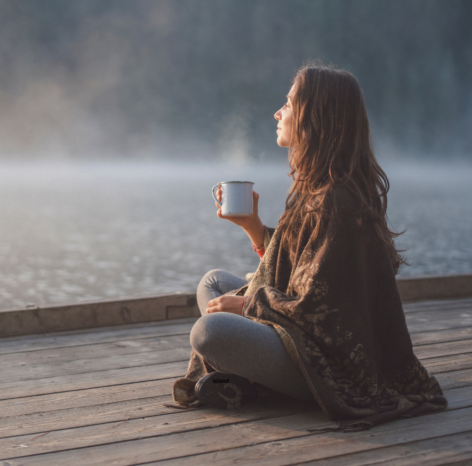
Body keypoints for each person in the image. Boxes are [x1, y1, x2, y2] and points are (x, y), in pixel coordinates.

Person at [171, 63, 447, 431]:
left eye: (288, 103)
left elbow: (319, 309)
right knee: (214, 282)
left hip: (328, 365)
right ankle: (245, 377)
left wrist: (249, 304)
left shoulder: (337, 200)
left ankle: (252, 381)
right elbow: (297, 267)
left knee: (210, 333)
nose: (278, 112)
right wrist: (253, 227)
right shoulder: (317, 187)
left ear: (314, 117)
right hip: (299, 335)